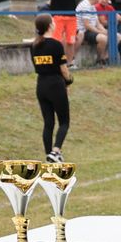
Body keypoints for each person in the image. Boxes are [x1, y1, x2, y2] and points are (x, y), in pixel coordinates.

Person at [31, 14, 73, 161]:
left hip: (41, 85)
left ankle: (48, 155)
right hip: (55, 84)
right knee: (64, 121)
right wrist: (69, 81)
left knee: (48, 123)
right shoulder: (56, 45)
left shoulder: (34, 45)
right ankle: (55, 151)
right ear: (50, 26)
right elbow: (64, 69)